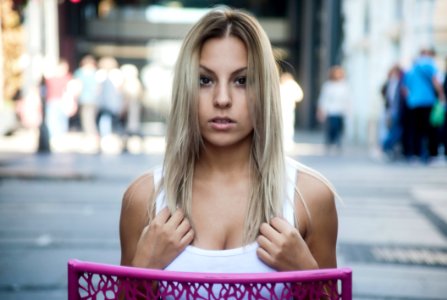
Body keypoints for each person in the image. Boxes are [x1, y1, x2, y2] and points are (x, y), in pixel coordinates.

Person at [119, 7, 337, 282]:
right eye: (205, 80)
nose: (222, 99)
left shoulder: (309, 197)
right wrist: (142, 268)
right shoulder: (144, 198)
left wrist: (306, 271)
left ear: (264, 89)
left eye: (242, 81)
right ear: (186, 87)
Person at [403, 48, 445, 163]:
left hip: (413, 103)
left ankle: (415, 154)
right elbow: (436, 81)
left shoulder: (412, 68)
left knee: (416, 129)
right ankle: (432, 155)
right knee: (430, 129)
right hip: (427, 101)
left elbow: (405, 87)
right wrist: (441, 96)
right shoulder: (429, 65)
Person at [316, 65, 350, 154]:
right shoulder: (328, 85)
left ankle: (338, 142)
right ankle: (330, 141)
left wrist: (348, 110)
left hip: (341, 111)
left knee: (339, 127)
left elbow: (348, 99)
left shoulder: (344, 85)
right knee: (332, 127)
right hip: (331, 110)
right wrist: (321, 110)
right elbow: (323, 98)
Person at [280, 71, 303, 152]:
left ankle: (287, 141)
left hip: (288, 108)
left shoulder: (291, 85)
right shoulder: (280, 86)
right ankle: (285, 141)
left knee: (287, 125)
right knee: (285, 125)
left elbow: (299, 96)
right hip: (283, 109)